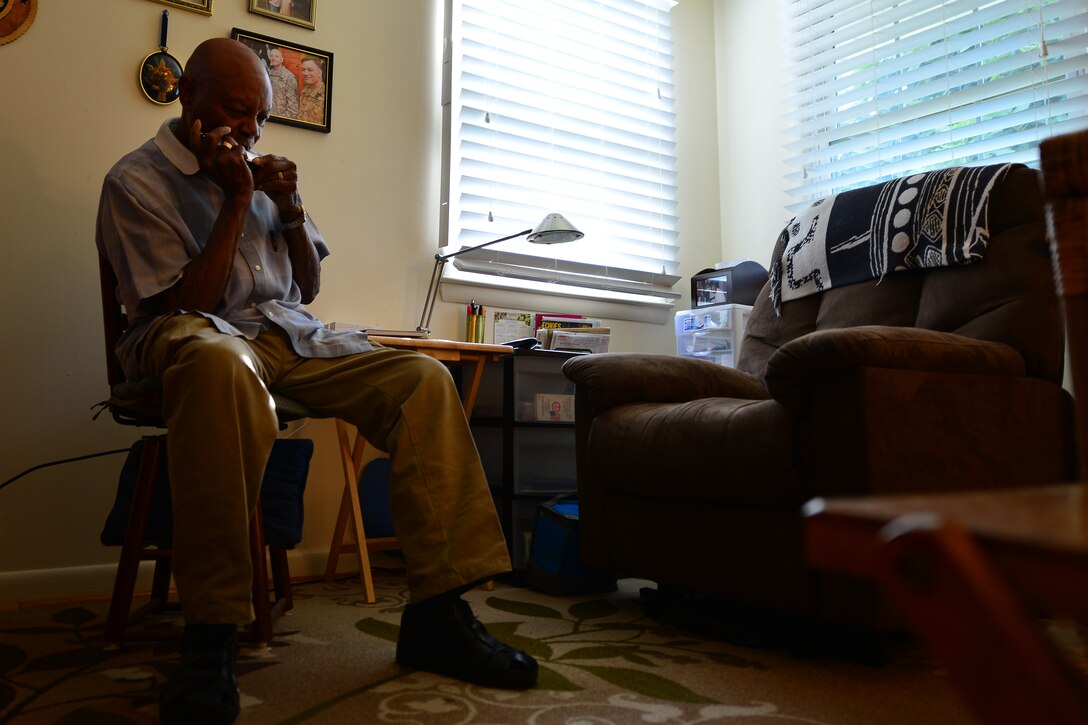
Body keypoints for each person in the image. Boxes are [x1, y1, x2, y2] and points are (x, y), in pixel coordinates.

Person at [96, 38, 536, 725]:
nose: (248, 130)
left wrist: (291, 207)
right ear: (189, 96)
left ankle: (438, 612)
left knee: (422, 378)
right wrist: (237, 201)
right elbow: (190, 305)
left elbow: (305, 286)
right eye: (236, 110)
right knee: (218, 364)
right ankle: (210, 634)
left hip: (286, 336)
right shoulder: (137, 180)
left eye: (260, 118)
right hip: (189, 336)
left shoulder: (259, 175)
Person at [266, 47, 299, 119]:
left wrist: (281, 119)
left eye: (276, 56)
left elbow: (293, 108)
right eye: (271, 56)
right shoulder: (268, 74)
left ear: (282, 59)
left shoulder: (289, 77)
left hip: (281, 118)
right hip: (268, 116)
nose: (273, 58)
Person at [298, 56, 325, 126]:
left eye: (310, 70)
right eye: (303, 69)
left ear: (320, 72)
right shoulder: (304, 91)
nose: (305, 73)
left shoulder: (325, 95)